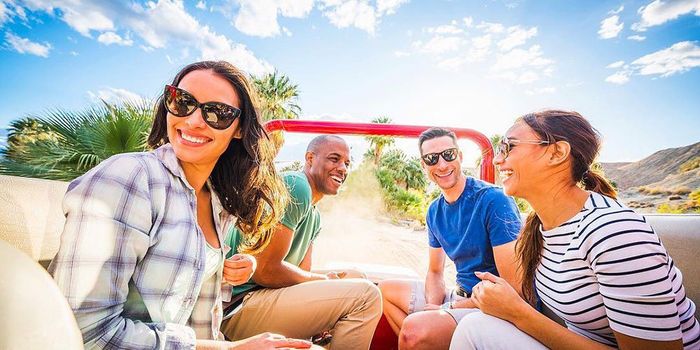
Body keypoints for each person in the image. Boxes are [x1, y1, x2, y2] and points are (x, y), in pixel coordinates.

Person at [49, 61, 314, 349]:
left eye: (218, 113)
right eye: (183, 102)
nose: (193, 121)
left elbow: (189, 304)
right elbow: (85, 334)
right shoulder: (129, 178)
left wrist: (227, 269)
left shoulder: (215, 199)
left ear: (239, 129)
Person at [451, 110, 700, 349]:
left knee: (474, 329)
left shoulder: (613, 231)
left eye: (508, 146)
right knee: (474, 327)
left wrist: (518, 312)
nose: (497, 159)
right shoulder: (538, 227)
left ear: (557, 152)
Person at [220, 135, 383, 349]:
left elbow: (302, 271)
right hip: (237, 305)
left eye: (347, 163)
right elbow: (265, 270)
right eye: (334, 159)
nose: (342, 168)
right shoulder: (296, 186)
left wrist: (324, 285)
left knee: (356, 276)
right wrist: (324, 281)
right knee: (366, 296)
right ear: (310, 158)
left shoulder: (314, 216)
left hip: (264, 296)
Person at [377, 127, 523, 350]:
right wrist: (434, 305)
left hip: (489, 306)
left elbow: (512, 287)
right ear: (424, 166)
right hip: (457, 296)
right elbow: (435, 272)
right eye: (432, 159)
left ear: (460, 156)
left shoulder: (493, 201)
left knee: (414, 331)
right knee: (384, 291)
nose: (442, 165)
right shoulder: (434, 211)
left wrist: (450, 307)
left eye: (448, 155)